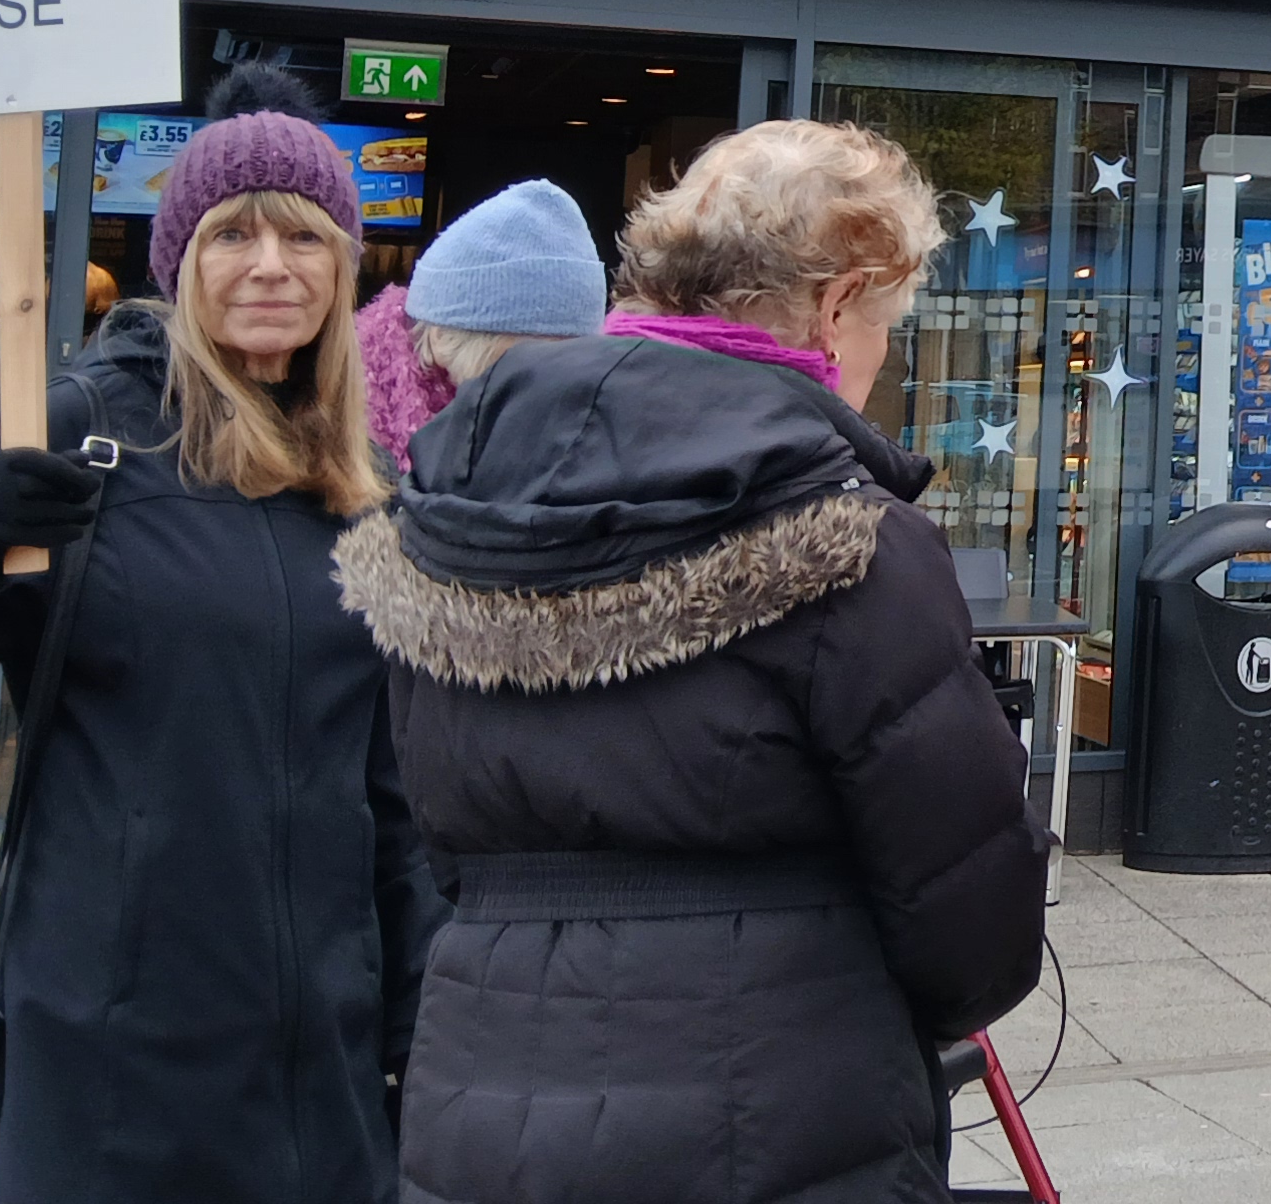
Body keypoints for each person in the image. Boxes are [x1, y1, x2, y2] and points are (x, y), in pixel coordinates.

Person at [342, 120, 1045, 1204]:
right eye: (885, 330)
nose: (878, 364)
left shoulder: (454, 495)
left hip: (482, 1099)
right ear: (835, 305)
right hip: (781, 1110)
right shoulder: (850, 535)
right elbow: (972, 928)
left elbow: (432, 835)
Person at [0, 63, 442, 1201]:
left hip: (323, 1087)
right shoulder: (77, 434)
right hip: (109, 1079)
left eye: (304, 237)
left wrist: (418, 1036)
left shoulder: (364, 482)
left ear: (344, 264)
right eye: (233, 235)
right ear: (179, 259)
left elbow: (387, 799)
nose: (271, 265)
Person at [357, 178, 609, 468]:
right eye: (521, 371)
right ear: (442, 339)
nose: (548, 393)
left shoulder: (600, 440)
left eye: (574, 366)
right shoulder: (341, 442)